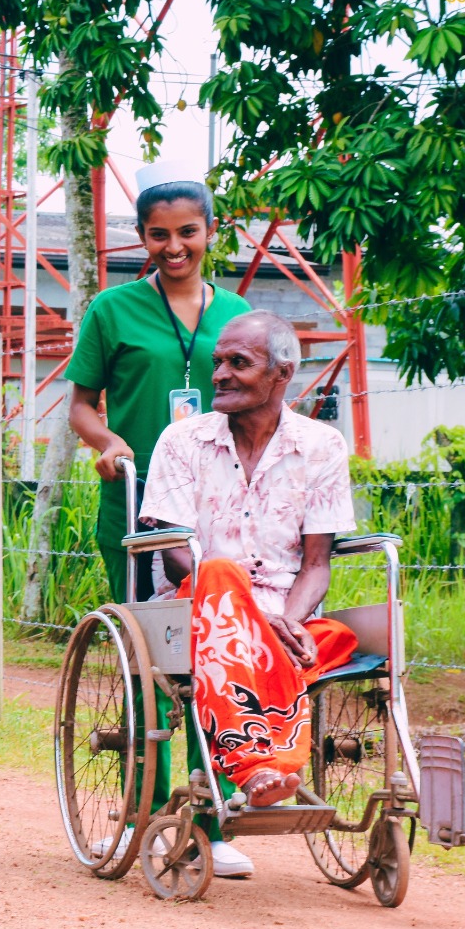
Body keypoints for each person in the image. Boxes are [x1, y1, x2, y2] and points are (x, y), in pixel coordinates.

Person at [65, 159, 255, 876]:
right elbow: (81, 405)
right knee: (152, 661)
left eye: (188, 232)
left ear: (210, 231)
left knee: (222, 653)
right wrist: (107, 442)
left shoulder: (238, 314)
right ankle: (142, 815)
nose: (174, 247)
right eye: (158, 235)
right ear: (142, 237)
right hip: (140, 508)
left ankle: (216, 815)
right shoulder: (112, 311)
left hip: (224, 512)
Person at [141, 310, 358, 808]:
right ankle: (257, 764)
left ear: (282, 373)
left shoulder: (321, 445)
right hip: (197, 606)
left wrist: (285, 621)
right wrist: (250, 618)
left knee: (335, 638)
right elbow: (175, 556)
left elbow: (316, 565)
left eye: (238, 363)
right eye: (217, 362)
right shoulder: (182, 440)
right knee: (221, 571)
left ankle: (266, 755)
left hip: (285, 617)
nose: (220, 374)